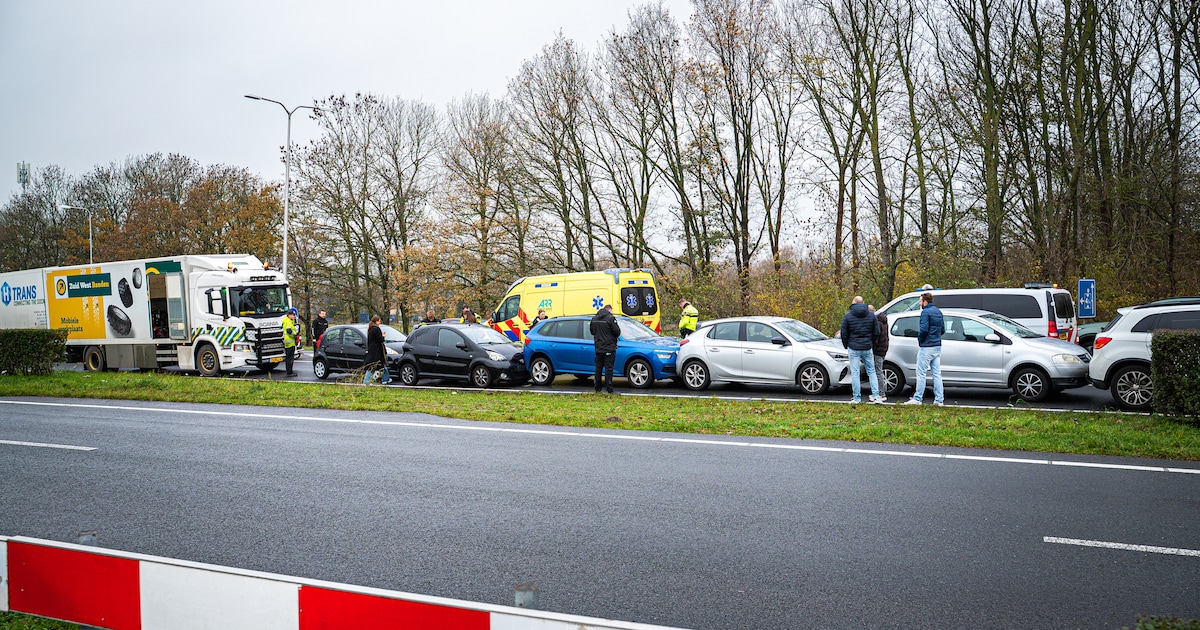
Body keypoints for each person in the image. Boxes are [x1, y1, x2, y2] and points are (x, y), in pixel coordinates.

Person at [905, 292, 945, 406]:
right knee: (937, 373)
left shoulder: (925, 312)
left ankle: (917, 398)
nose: (920, 303)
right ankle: (939, 399)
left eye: (920, 301)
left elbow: (923, 330)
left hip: (927, 346)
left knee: (921, 373)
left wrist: (920, 340)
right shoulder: (938, 312)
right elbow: (942, 329)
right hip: (937, 345)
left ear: (925, 301)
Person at [840, 296, 882, 404]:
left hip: (853, 347)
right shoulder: (871, 315)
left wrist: (846, 345)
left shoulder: (848, 316)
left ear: (853, 303)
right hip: (867, 347)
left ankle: (857, 398)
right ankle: (877, 396)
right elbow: (876, 332)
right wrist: (871, 343)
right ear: (863, 302)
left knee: (855, 373)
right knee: (872, 372)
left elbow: (844, 333)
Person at [590, 304, 621, 393]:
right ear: (609, 310)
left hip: (598, 347)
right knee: (609, 368)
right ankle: (609, 388)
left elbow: (592, 331)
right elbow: (617, 332)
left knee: (598, 368)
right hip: (609, 347)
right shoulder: (610, 318)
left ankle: (597, 388)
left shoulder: (594, 319)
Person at [362, 315, 392, 385]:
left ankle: (386, 378)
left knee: (380, 366)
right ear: (376, 321)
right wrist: (383, 336)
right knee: (373, 367)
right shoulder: (376, 329)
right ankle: (366, 382)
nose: (380, 322)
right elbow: (380, 339)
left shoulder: (370, 329)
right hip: (377, 352)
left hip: (373, 351)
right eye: (379, 321)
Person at [869, 304, 889, 402]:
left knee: (878, 372)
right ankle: (879, 392)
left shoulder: (876, 322)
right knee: (879, 371)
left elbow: (876, 338)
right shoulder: (883, 320)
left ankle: (881, 394)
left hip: (877, 350)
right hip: (883, 349)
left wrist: (872, 348)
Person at [281, 307, 300, 376]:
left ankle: (290, 371)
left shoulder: (287, 321)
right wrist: (295, 334)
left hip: (289, 342)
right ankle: (289, 372)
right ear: (289, 315)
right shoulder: (288, 322)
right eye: (293, 315)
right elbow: (289, 331)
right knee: (290, 358)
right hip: (289, 343)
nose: (294, 316)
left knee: (289, 358)